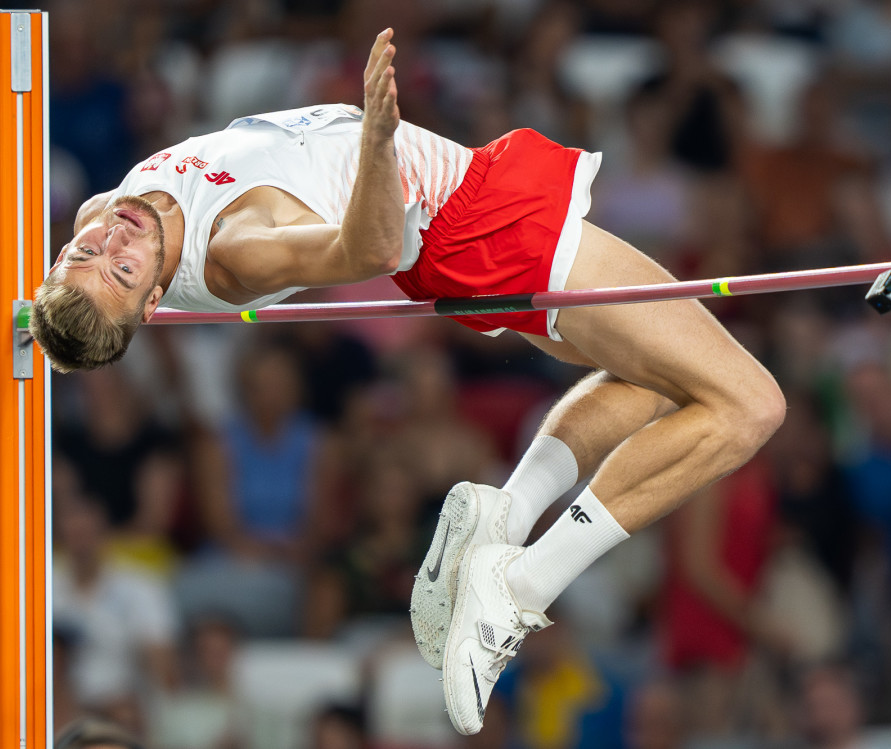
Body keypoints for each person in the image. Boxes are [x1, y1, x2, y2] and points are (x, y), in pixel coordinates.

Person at [33, 29, 786, 735]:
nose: (108, 242)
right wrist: (376, 138)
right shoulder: (233, 252)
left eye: (84, 255)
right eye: (120, 269)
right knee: (749, 404)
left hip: (466, 220)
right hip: (479, 223)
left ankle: (502, 514)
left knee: (651, 375)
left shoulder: (107, 211)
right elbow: (371, 245)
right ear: (153, 302)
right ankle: (522, 587)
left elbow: (84, 275)